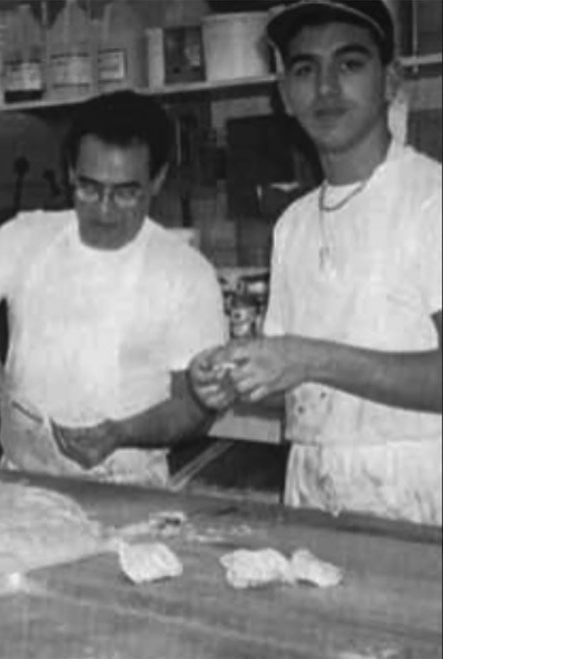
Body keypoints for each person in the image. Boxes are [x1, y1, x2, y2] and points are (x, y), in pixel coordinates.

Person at [189, 0, 442, 525]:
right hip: (310, 491)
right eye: (305, 69)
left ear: (390, 79)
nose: (325, 88)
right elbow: (296, 386)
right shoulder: (294, 225)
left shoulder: (435, 200)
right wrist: (232, 381)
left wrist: (307, 357)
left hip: (424, 494)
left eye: (349, 64)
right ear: (284, 93)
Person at [0, 90, 227, 487]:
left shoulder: (186, 274)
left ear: (158, 179)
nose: (104, 210)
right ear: (69, 172)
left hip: (129, 490)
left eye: (126, 192)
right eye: (89, 188)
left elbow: (196, 407)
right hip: (21, 485)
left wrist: (122, 433)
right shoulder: (24, 237)